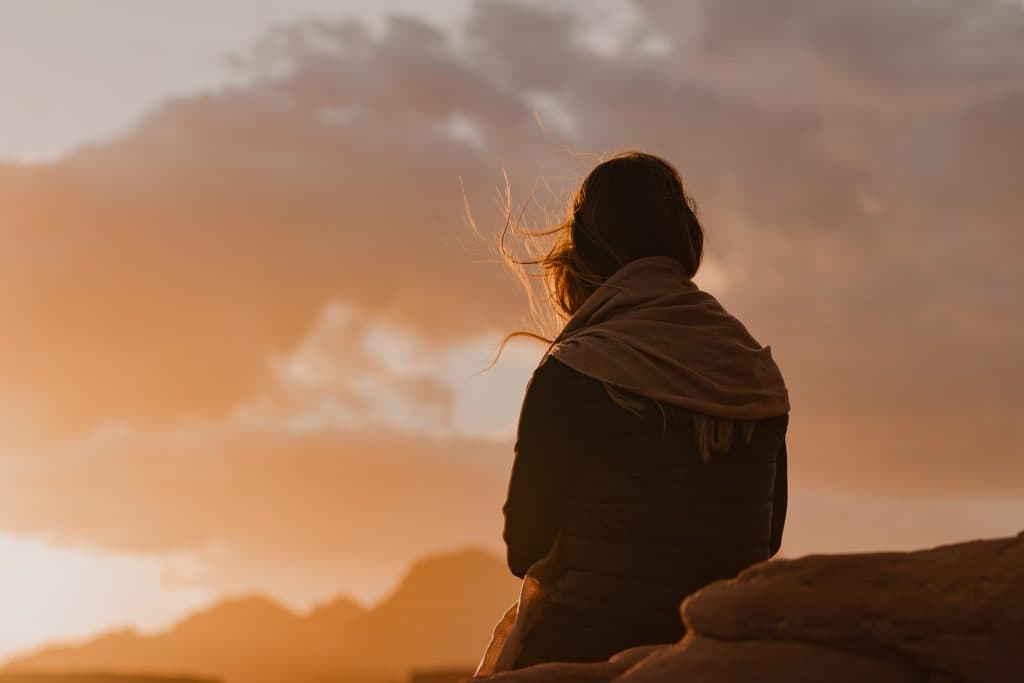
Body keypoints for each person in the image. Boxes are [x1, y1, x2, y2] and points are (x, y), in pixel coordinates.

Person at [491, 151, 790, 669]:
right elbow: (766, 540)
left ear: (585, 251)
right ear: (685, 242)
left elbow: (525, 551)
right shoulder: (752, 370)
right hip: (711, 648)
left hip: (586, 647)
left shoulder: (574, 370)